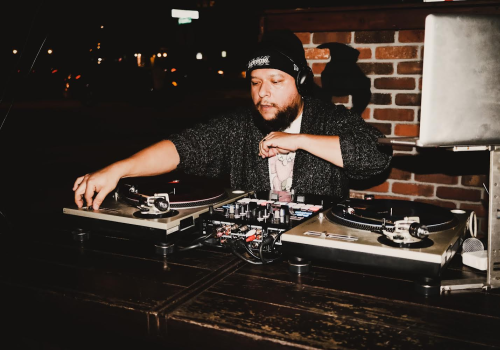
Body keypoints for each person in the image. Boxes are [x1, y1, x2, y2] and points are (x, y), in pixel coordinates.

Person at [73, 30, 392, 210]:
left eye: (276, 81)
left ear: (302, 82)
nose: (263, 93)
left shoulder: (330, 119)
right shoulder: (240, 126)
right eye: (255, 82)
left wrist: (297, 140)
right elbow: (184, 147)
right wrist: (118, 169)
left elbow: (376, 156)